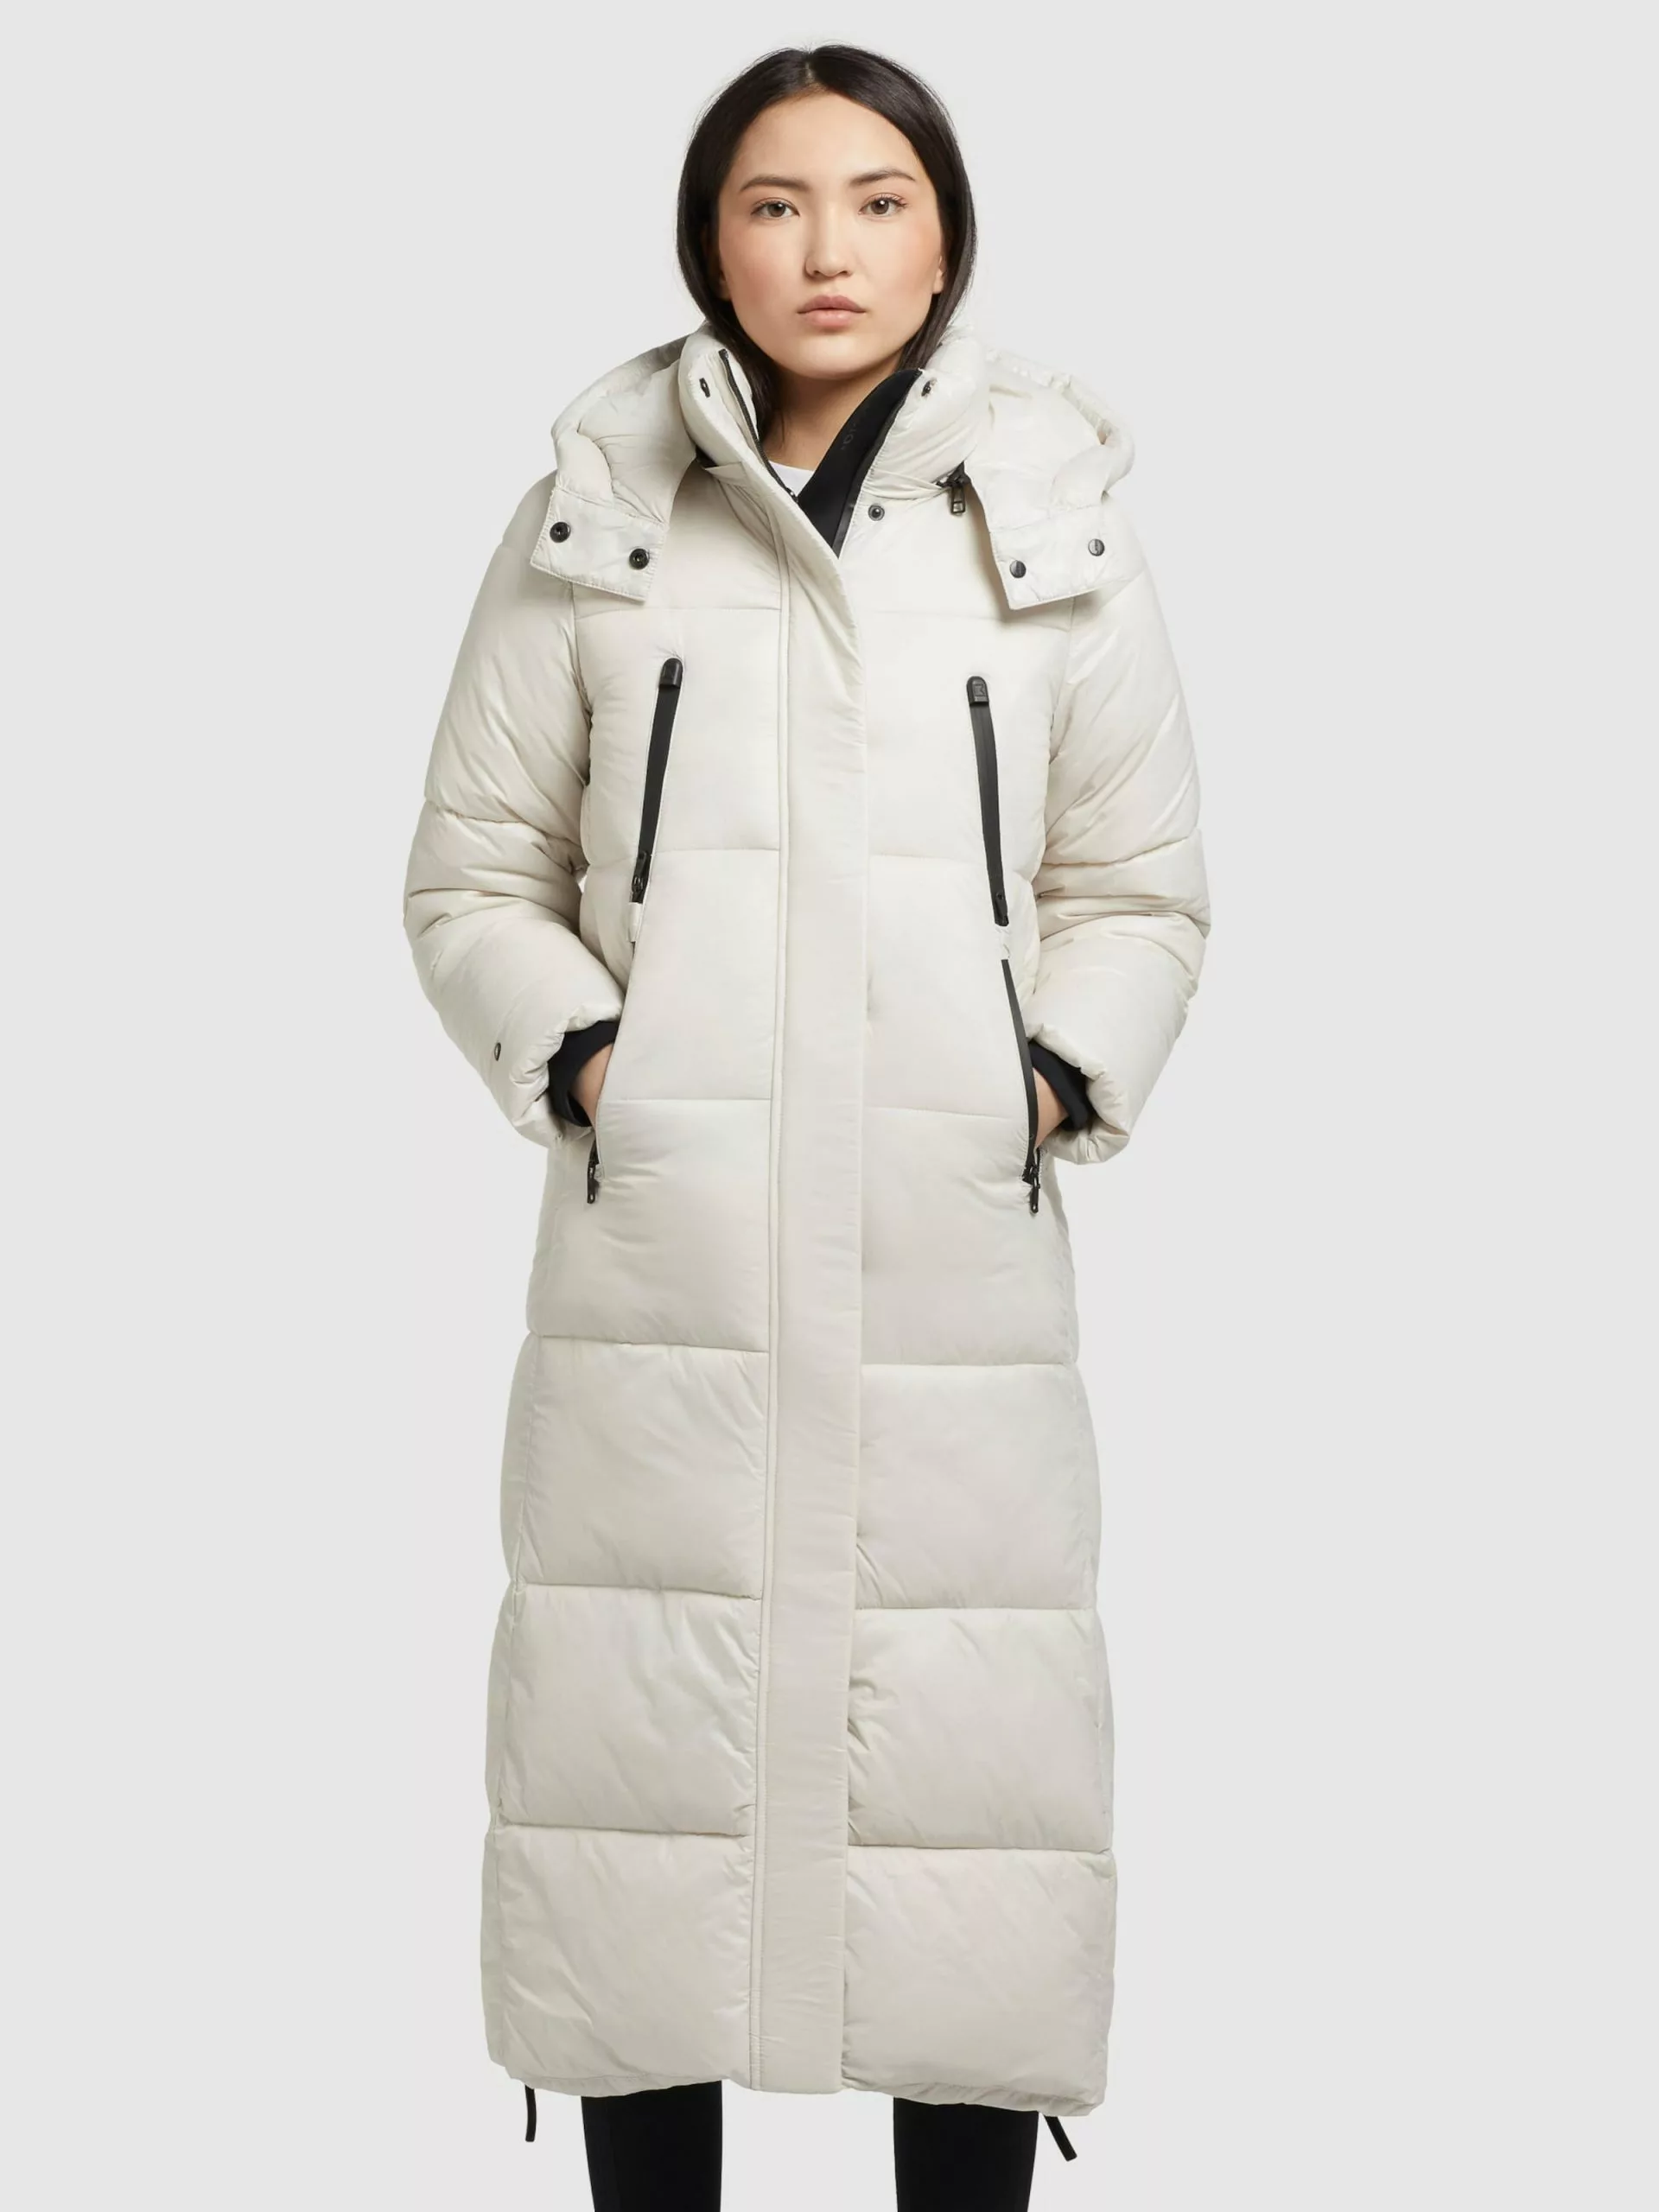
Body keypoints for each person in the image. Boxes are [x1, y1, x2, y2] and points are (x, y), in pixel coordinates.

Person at [403, 41, 1210, 2212]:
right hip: (662, 1257)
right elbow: (473, 868)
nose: (826, 248)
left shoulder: (1051, 521)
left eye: (877, 200)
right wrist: (600, 1062)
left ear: (946, 237)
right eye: (774, 203)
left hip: (955, 1256)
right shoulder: (596, 510)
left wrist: (1049, 1077)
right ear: (712, 241)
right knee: (636, 1774)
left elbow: (1140, 887)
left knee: (970, 1797)